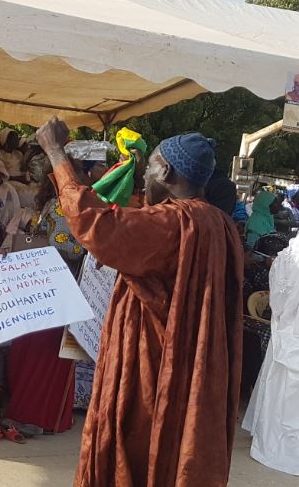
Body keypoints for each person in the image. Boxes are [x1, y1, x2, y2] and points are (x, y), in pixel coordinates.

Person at [37, 118, 243, 487]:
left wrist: (55, 154)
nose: (144, 177)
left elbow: (97, 226)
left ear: (164, 169)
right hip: (189, 362)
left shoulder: (175, 221)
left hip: (152, 361)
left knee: (137, 448)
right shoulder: (219, 223)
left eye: (149, 168)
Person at [5, 158, 85, 435]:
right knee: (48, 356)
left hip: (44, 289)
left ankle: (44, 416)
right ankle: (42, 417)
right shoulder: (64, 207)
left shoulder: (54, 204)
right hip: (56, 291)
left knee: (40, 354)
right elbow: (69, 249)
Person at [242, 234, 299, 475]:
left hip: (291, 328)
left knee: (285, 391)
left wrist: (284, 320)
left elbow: (280, 301)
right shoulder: (290, 257)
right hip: (291, 331)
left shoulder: (290, 257)